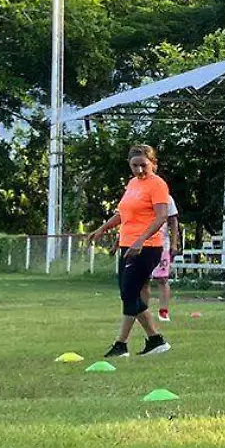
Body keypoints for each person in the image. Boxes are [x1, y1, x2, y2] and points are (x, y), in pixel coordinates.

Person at [84, 144, 173, 358]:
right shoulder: (133, 184)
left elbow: (161, 217)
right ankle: (155, 340)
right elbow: (123, 214)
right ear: (129, 165)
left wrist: (141, 240)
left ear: (153, 163)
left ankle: (122, 344)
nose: (140, 170)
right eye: (135, 166)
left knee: (129, 293)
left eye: (144, 165)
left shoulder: (158, 185)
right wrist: (101, 229)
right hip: (128, 245)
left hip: (147, 247)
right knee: (128, 293)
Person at [150, 194, 180, 323]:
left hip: (162, 244)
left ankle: (163, 311)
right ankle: (140, 311)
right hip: (142, 243)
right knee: (141, 280)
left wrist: (174, 243)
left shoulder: (165, 197)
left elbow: (173, 221)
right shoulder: (139, 194)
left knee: (162, 278)